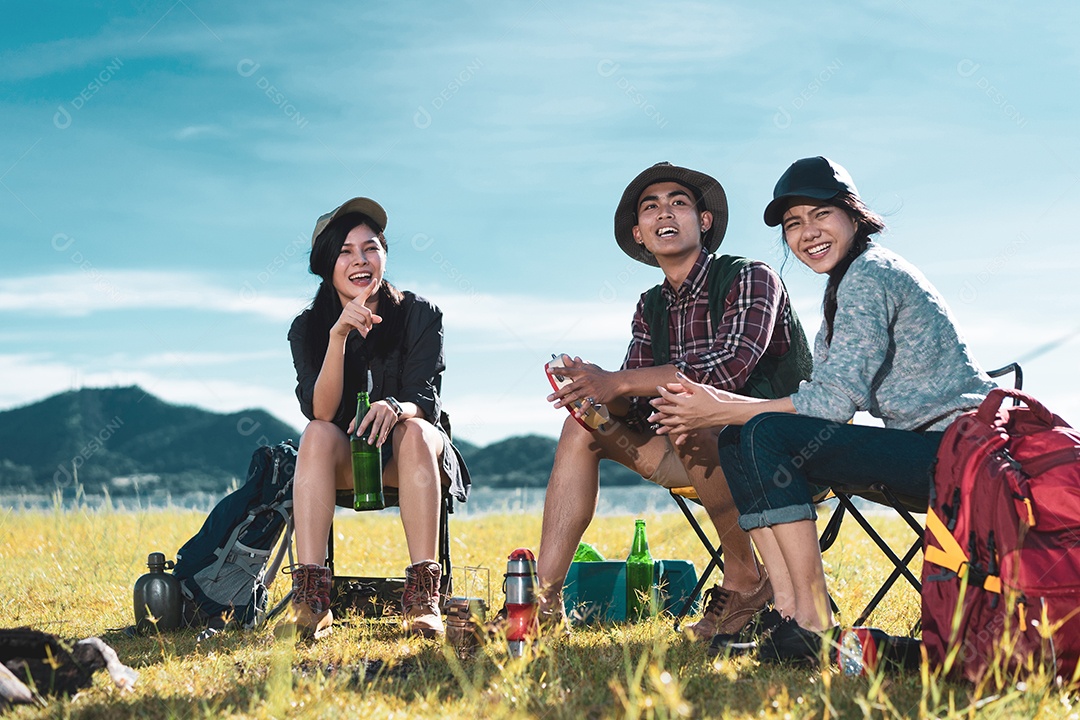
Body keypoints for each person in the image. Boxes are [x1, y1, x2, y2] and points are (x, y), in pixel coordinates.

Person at [649, 156, 995, 663]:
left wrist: (719, 405)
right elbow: (824, 396)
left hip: (960, 456)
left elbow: (828, 407)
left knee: (762, 434)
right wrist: (724, 415)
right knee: (738, 438)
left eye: (820, 215)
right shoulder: (843, 288)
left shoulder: (869, 276)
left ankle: (811, 621)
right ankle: (787, 614)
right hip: (934, 451)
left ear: (854, 216)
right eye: (794, 224)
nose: (807, 232)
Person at [537, 162, 813, 644]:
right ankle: (543, 600)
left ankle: (745, 578)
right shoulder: (650, 306)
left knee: (690, 412)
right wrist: (594, 392)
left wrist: (618, 381)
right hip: (696, 450)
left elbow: (725, 373)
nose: (664, 212)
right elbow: (639, 407)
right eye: (651, 207)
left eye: (678, 202)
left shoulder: (751, 276)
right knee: (582, 426)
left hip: (783, 447)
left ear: (703, 223)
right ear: (640, 235)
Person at [279, 197, 470, 640]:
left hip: (412, 455)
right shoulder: (308, 327)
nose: (360, 260)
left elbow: (426, 395)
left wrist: (398, 407)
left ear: (384, 254)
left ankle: (423, 598)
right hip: (347, 458)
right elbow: (321, 410)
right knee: (315, 433)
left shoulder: (420, 313)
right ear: (328, 264)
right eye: (345, 251)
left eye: (371, 248)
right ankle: (311, 598)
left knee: (417, 430)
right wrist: (338, 335)